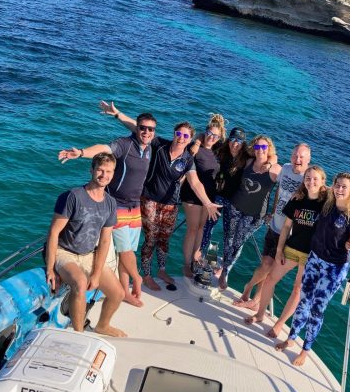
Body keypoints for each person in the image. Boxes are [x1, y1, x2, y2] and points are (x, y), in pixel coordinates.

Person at [100, 102, 221, 291]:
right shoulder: (159, 145)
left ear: (190, 139)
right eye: (179, 134)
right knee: (151, 239)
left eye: (186, 136)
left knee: (164, 239)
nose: (181, 138)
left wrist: (207, 203)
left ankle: (162, 271)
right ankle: (146, 275)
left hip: (171, 204)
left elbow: (195, 182)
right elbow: (137, 127)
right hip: (149, 200)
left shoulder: (188, 159)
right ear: (174, 134)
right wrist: (117, 114)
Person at [58, 102, 156, 307]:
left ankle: (125, 290)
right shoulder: (124, 145)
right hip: (117, 205)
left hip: (135, 206)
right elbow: (104, 148)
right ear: (137, 129)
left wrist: (118, 114)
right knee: (126, 250)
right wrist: (82, 152)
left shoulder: (149, 147)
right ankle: (138, 278)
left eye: (150, 129)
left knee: (126, 251)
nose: (146, 132)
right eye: (142, 128)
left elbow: (136, 125)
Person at [275, 172, 350, 366]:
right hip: (314, 259)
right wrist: (299, 192)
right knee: (303, 301)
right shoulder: (327, 204)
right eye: (337, 185)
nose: (340, 189)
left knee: (316, 309)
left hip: (334, 268)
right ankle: (291, 338)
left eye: (344, 187)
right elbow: (316, 188)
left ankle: (305, 350)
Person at [44, 153, 127, 337]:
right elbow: (54, 232)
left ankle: (103, 325)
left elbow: (105, 241)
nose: (104, 175)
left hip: (89, 253)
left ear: (113, 174)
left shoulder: (110, 203)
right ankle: (78, 334)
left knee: (118, 293)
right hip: (64, 251)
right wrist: (50, 269)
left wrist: (96, 274)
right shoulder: (73, 197)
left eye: (109, 171)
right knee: (80, 283)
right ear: (91, 170)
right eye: (100, 170)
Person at [244, 166, 329, 338]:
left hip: (311, 255)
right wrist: (279, 250)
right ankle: (260, 314)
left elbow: (344, 208)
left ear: (322, 182)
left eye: (315, 179)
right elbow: (286, 227)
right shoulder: (297, 199)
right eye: (308, 178)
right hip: (291, 248)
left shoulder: (327, 203)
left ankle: (279, 324)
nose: (311, 181)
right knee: (270, 279)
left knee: (297, 289)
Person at [233, 144, 311, 309]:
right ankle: (254, 298)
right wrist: (273, 211)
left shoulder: (309, 178)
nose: (297, 159)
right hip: (274, 225)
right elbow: (278, 192)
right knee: (265, 266)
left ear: (308, 159)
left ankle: (251, 293)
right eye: (295, 155)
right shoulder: (286, 168)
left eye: (301, 157)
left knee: (269, 266)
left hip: (289, 234)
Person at [220, 135, 282, 290]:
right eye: (257, 147)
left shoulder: (276, 169)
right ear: (253, 149)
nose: (260, 150)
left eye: (264, 147)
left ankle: (226, 268)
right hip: (235, 207)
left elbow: (281, 192)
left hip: (255, 215)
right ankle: (224, 270)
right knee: (228, 239)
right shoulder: (248, 162)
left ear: (269, 149)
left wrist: (274, 211)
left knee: (238, 241)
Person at [179, 114, 227, 277]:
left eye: (215, 136)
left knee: (201, 228)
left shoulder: (217, 152)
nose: (211, 137)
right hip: (192, 194)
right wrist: (198, 141)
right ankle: (186, 264)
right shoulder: (194, 147)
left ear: (219, 138)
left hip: (209, 197)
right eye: (209, 133)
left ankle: (195, 258)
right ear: (205, 132)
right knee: (192, 229)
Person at [195, 127, 248, 265]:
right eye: (232, 139)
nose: (235, 143)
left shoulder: (247, 157)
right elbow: (203, 135)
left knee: (229, 234)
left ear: (243, 143)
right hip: (218, 197)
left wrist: (271, 162)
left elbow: (270, 155)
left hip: (234, 201)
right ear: (228, 140)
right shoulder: (221, 149)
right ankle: (201, 256)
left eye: (239, 140)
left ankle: (224, 266)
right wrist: (196, 143)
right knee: (208, 226)